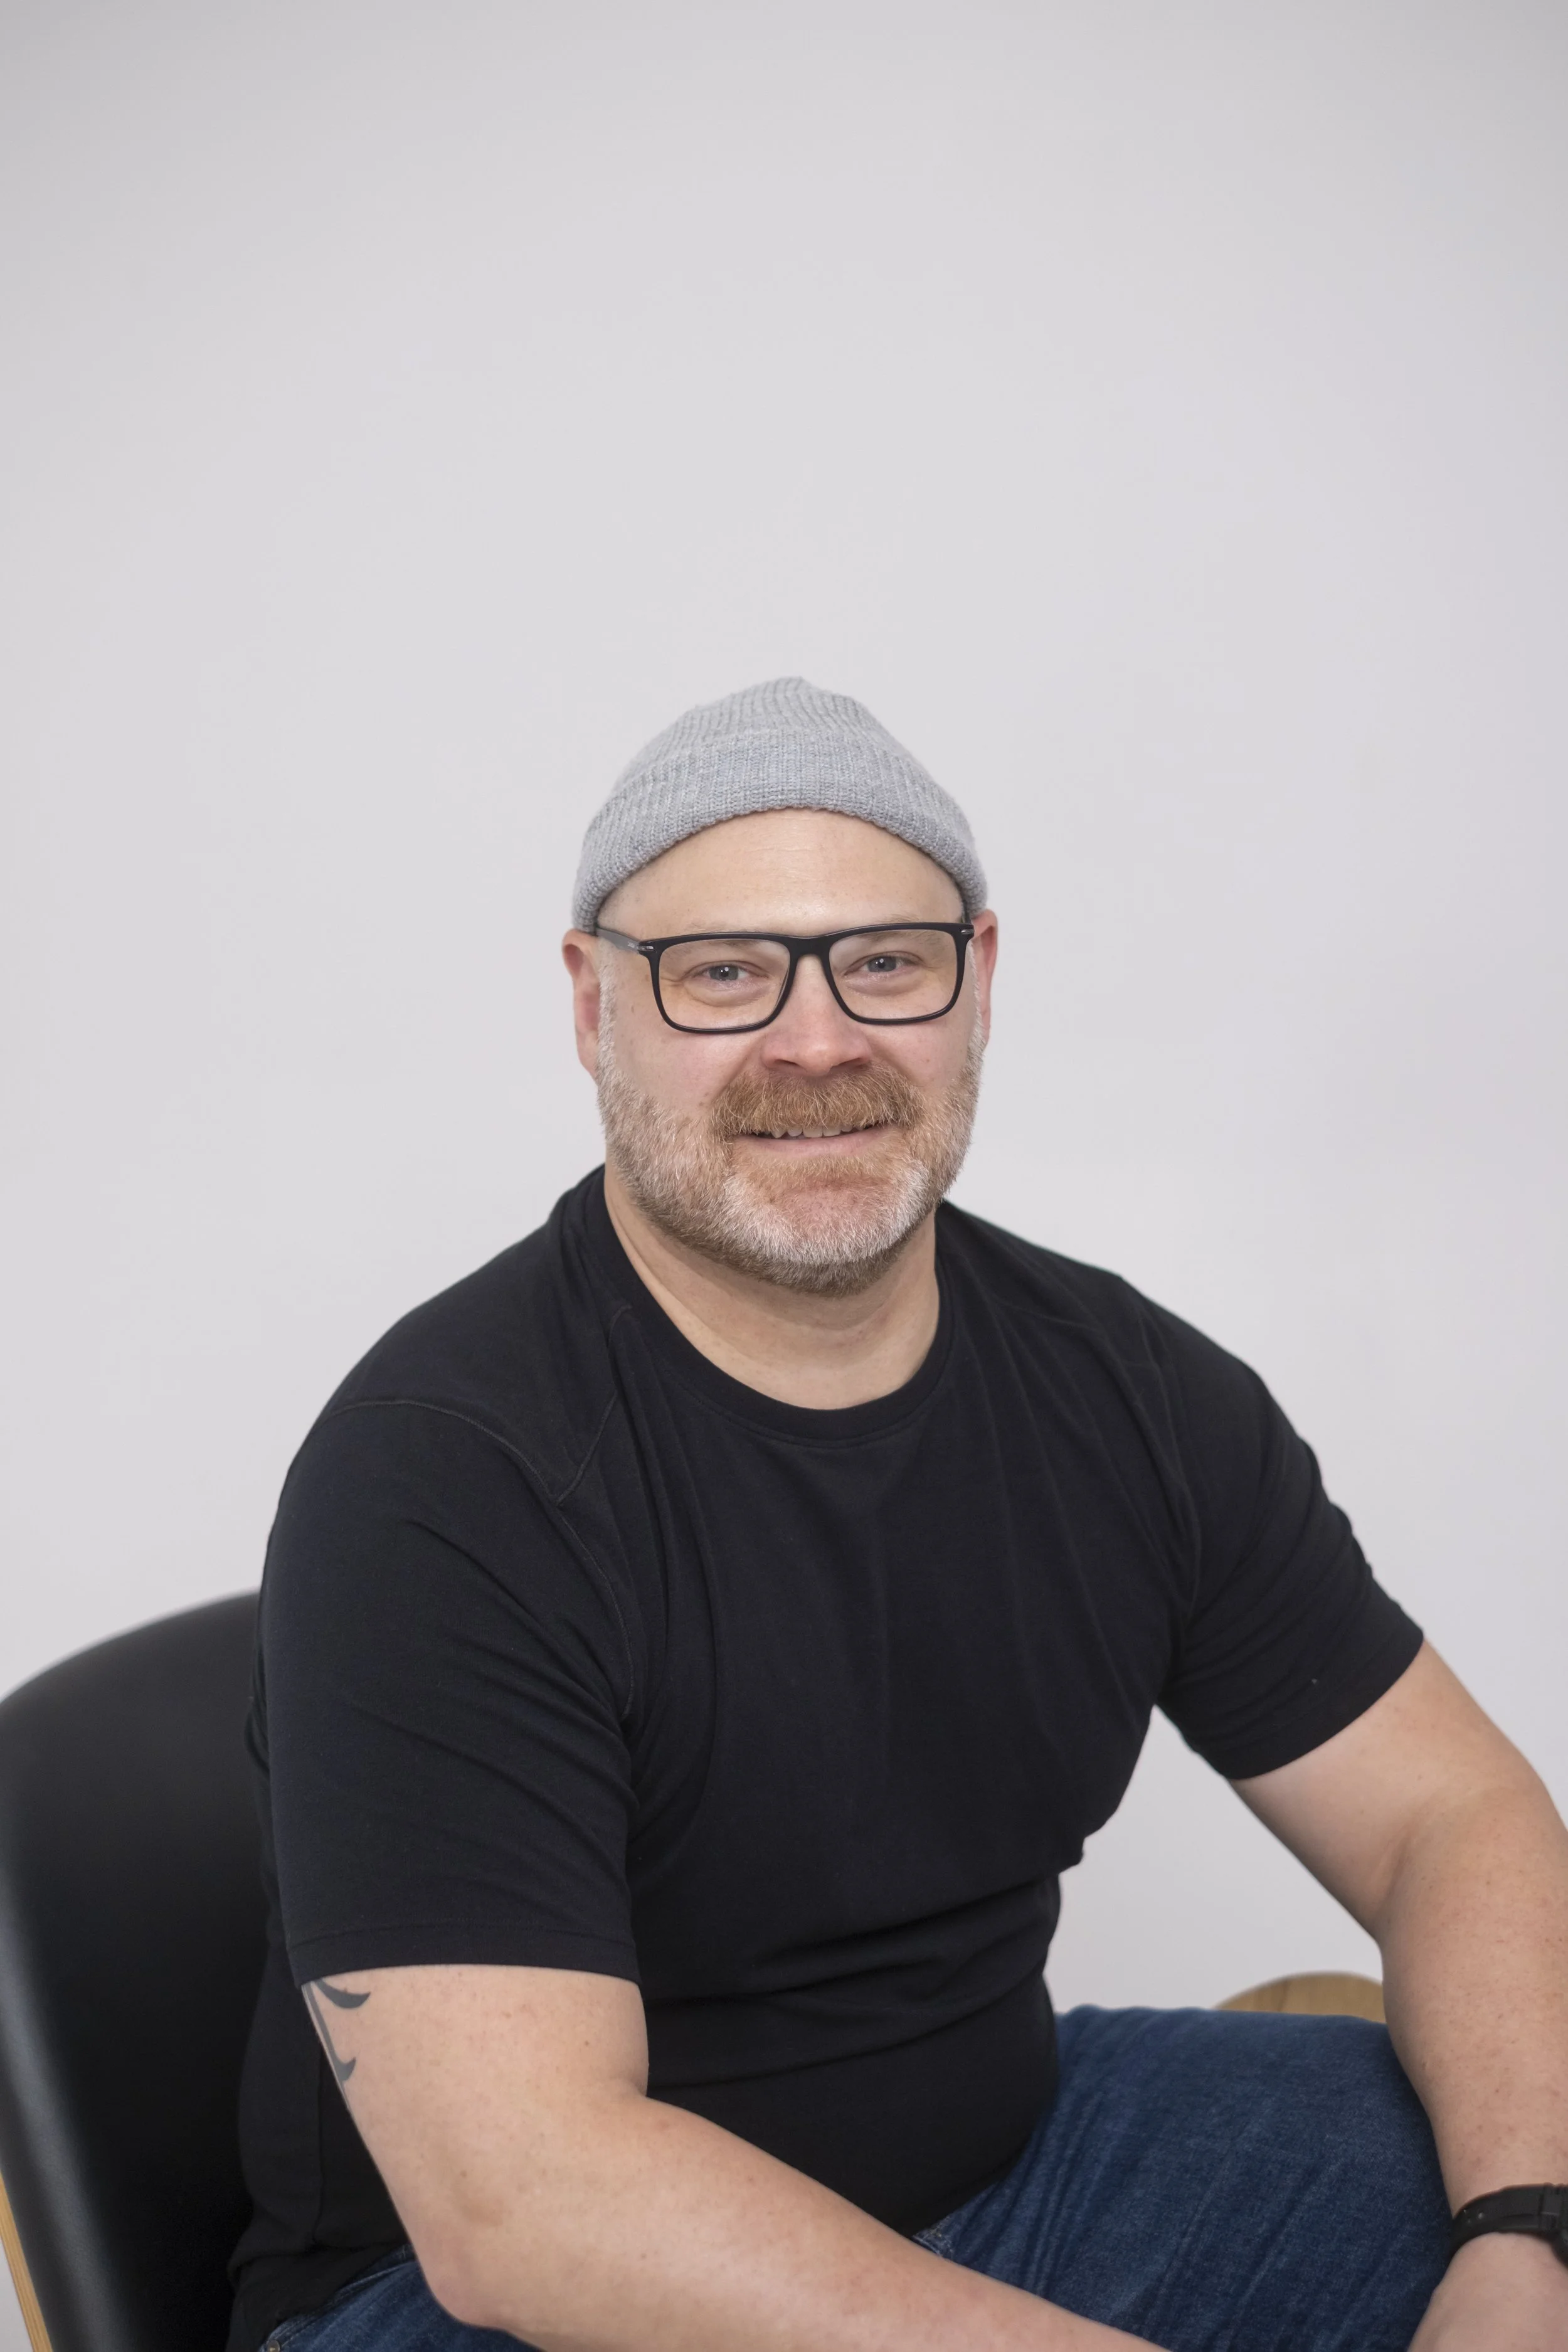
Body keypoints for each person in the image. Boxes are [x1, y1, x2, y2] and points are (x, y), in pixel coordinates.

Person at [227, 679, 1568, 2352]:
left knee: (1478, 2130)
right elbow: (526, 2205)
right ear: (592, 1005)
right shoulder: (442, 1473)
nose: (816, 1039)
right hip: (494, 2307)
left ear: (976, 981)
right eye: (722, 971)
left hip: (1020, 2182)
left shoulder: (1130, 1393)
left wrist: (1523, 2242)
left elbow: (1452, 1815)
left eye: (884, 960)